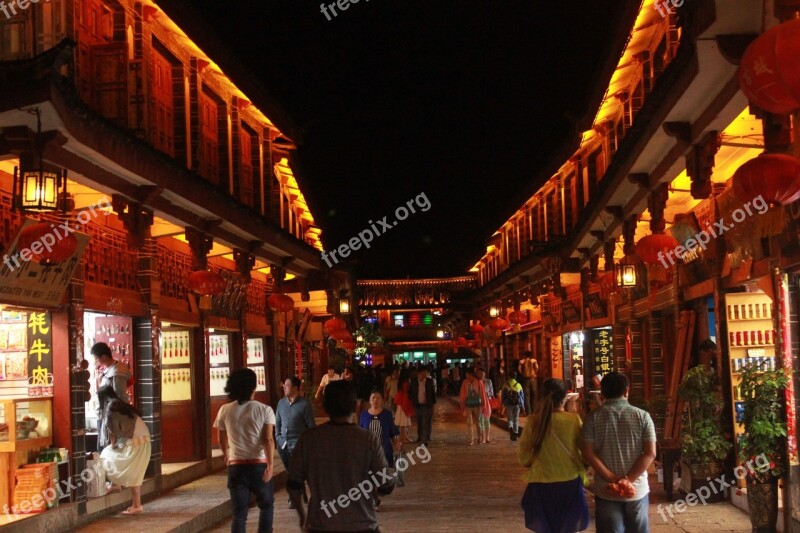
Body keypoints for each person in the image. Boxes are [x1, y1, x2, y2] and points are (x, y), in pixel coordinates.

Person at [287, 380, 394, 531]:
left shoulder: (308, 439)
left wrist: (303, 517)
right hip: (361, 524)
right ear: (354, 406)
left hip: (320, 525)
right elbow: (386, 484)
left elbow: (293, 484)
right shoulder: (367, 439)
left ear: (325, 406)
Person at [582, 372, 656, 533]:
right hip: (637, 490)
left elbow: (588, 453)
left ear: (602, 393)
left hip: (606, 489)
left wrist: (613, 479)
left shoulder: (592, 418)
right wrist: (628, 480)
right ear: (626, 391)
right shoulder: (643, 417)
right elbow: (650, 453)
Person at [518, 379, 588, 533]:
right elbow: (584, 450)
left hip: (541, 484)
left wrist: (532, 462)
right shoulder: (573, 420)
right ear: (565, 398)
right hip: (569, 482)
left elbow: (524, 456)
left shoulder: (533, 421)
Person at [213, 368, 276, 533]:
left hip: (236, 466)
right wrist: (270, 464)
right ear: (253, 388)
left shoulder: (225, 410)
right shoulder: (265, 409)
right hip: (259, 465)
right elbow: (268, 439)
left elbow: (220, 439)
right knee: (266, 505)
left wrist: (226, 455)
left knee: (239, 514)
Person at [97, 385, 151, 516]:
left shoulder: (110, 407)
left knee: (106, 454)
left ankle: (136, 505)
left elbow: (112, 431)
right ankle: (116, 485)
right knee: (134, 473)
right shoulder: (118, 403)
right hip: (144, 440)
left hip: (136, 442)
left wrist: (113, 445)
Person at [275, 376, 315, 509]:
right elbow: (278, 424)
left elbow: (311, 426)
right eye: (284, 385)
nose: (284, 387)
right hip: (283, 445)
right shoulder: (281, 403)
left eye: (287, 385)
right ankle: (301, 493)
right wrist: (279, 439)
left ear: (295, 388)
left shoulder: (304, 404)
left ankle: (293, 497)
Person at [359, 390, 400, 509]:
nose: (375, 400)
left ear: (382, 400)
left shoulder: (386, 414)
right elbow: (360, 432)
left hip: (383, 450)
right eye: (373, 398)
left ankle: (376, 496)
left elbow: (393, 431)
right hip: (368, 451)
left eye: (378, 398)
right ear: (369, 400)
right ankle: (374, 499)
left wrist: (397, 442)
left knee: (379, 475)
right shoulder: (364, 415)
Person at [92, 342, 131, 453]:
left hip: (111, 415)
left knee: (109, 448)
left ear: (104, 357)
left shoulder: (117, 373)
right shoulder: (109, 369)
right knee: (104, 447)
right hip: (105, 413)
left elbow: (119, 397)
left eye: (97, 358)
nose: (96, 361)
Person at [459, 367, 489, 445]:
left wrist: (483, 404)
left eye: (467, 374)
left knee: (478, 422)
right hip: (468, 405)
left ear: (471, 374)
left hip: (477, 405)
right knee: (469, 423)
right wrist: (463, 402)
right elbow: (462, 394)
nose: (466, 375)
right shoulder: (465, 383)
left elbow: (482, 394)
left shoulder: (479, 382)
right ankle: (471, 439)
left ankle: (480, 438)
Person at [409, 365, 436, 445]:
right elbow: (410, 393)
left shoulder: (429, 381)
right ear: (419, 374)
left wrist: (433, 404)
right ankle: (420, 437)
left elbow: (433, 393)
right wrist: (413, 401)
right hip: (417, 405)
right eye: (423, 373)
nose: (425, 374)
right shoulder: (414, 381)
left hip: (427, 405)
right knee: (419, 422)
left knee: (425, 422)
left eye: (425, 372)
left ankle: (424, 440)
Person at [501, 372, 526, 441]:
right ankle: (515, 433)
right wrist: (522, 407)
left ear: (509, 376)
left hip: (509, 404)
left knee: (510, 418)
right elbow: (522, 397)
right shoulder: (519, 385)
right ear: (515, 376)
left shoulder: (505, 384)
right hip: (517, 404)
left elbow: (503, 396)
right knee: (516, 418)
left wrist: (503, 404)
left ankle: (511, 429)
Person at [476, 367, 495, 443]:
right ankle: (482, 438)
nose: (480, 374)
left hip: (487, 403)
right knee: (481, 421)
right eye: (479, 373)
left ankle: (487, 437)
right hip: (479, 403)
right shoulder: (476, 382)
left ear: (484, 373)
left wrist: (486, 394)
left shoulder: (488, 381)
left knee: (487, 420)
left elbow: (491, 392)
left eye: (482, 373)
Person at [393, 376, 414, 442]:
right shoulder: (406, 384)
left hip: (401, 402)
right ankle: (403, 437)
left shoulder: (400, 384)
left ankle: (403, 436)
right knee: (403, 421)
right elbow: (407, 391)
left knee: (403, 421)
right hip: (404, 402)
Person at [518, 351, 539, 415]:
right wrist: (534, 373)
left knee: (526, 396)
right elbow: (537, 368)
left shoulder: (521, 361)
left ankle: (528, 412)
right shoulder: (534, 361)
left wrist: (523, 374)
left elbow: (519, 369)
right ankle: (534, 411)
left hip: (525, 379)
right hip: (533, 379)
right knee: (534, 395)